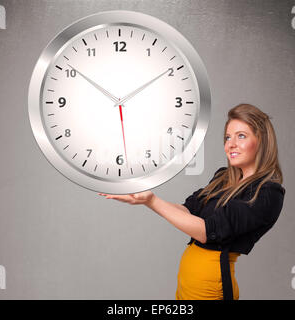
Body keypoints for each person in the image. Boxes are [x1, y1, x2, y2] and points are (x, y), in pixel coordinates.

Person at [98, 103, 285, 300]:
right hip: (188, 287)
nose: (230, 144)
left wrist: (153, 201)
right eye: (227, 137)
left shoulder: (268, 193)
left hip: (211, 291)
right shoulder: (223, 178)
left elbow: (207, 231)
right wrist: (145, 198)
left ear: (262, 140)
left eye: (241, 136)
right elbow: (188, 210)